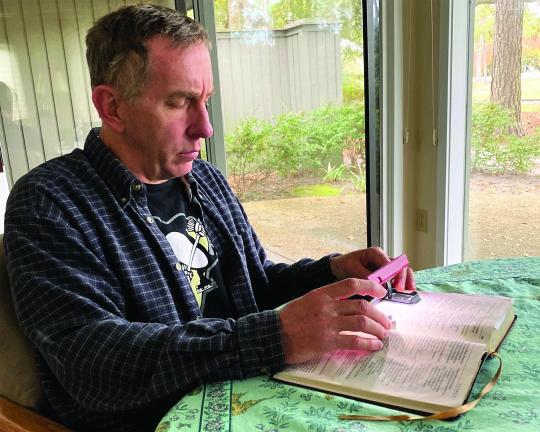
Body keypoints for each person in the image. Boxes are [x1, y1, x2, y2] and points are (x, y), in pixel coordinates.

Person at [3, 5, 415, 432]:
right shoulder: (49, 203)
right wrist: (275, 338)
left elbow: (256, 285)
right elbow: (91, 360)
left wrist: (329, 273)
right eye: (179, 102)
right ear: (112, 107)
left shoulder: (205, 179)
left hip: (256, 395)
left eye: (205, 101)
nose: (205, 127)